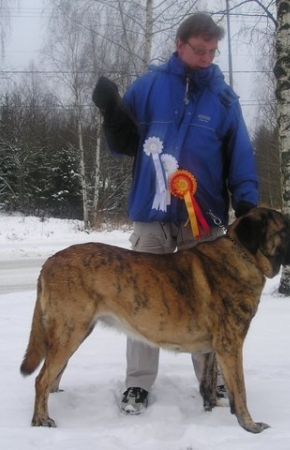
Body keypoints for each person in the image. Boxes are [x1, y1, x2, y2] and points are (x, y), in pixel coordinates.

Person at [91, 12, 260, 415]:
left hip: (202, 221)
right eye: (198, 50)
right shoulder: (149, 87)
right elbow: (124, 144)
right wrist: (112, 113)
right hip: (151, 216)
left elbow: (240, 157)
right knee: (140, 300)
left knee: (210, 304)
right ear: (179, 44)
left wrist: (247, 204)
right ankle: (137, 385)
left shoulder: (223, 99)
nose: (205, 58)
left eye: (211, 51)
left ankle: (214, 382)